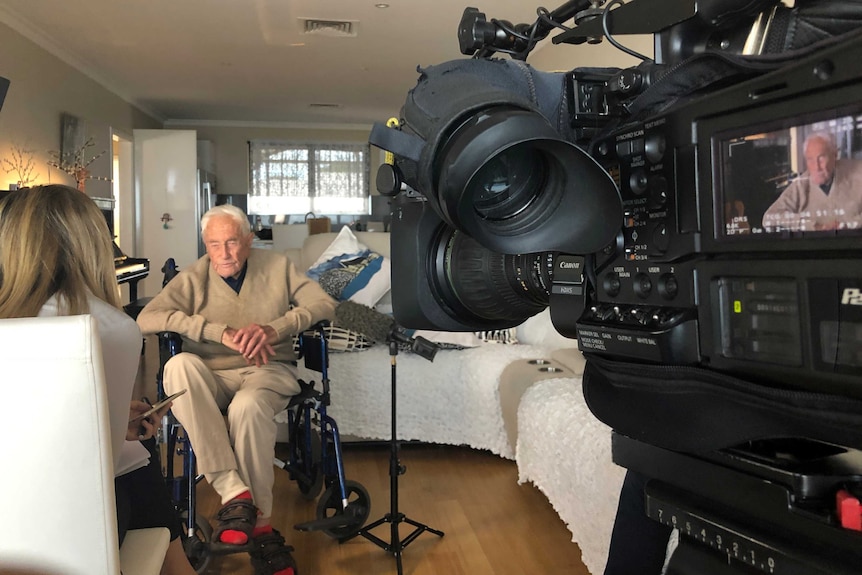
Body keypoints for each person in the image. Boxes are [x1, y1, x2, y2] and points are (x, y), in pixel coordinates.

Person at [0, 185, 196, 575]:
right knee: (139, 464)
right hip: (70, 524)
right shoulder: (112, 329)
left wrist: (109, 421)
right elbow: (90, 461)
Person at [136, 204, 337, 575]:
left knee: (246, 406)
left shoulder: (277, 267)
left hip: (268, 369)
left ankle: (260, 526)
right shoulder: (194, 278)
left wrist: (275, 328)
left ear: (249, 239)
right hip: (212, 375)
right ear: (205, 244)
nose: (224, 254)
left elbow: (324, 304)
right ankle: (233, 491)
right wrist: (217, 332)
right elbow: (147, 317)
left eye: (232, 242)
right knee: (179, 365)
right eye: (214, 245)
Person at [762, 131, 862, 232]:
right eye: (810, 159)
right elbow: (769, 218)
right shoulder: (801, 185)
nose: (816, 167)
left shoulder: (858, 171)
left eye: (821, 158)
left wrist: (848, 225)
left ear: (834, 155)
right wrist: (814, 227)